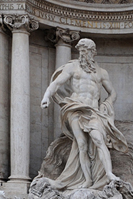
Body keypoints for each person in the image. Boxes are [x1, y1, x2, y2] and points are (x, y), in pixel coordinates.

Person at [40, 38, 128, 190]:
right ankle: (87, 180)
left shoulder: (101, 73)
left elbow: (112, 92)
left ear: (92, 52)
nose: (82, 54)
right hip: (75, 108)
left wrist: (106, 105)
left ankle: (109, 174)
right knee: (81, 144)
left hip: (93, 111)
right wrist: (46, 96)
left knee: (98, 139)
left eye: (85, 51)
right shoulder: (73, 67)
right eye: (80, 51)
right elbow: (57, 83)